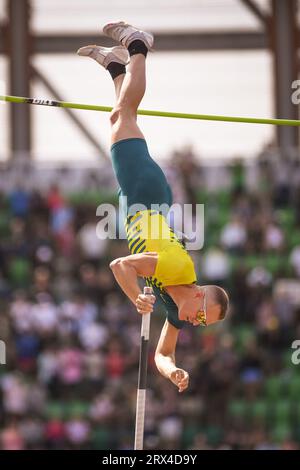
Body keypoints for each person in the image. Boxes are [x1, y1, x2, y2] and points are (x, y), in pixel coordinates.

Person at [77, 21, 229, 392]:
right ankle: (139, 46)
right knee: (121, 118)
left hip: (136, 206)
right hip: (147, 196)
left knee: (122, 119)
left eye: (203, 323)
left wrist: (171, 370)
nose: (197, 322)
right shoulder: (180, 268)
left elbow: (163, 354)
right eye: (203, 316)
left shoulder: (178, 311)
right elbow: (121, 266)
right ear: (199, 294)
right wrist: (136, 300)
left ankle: (116, 67)